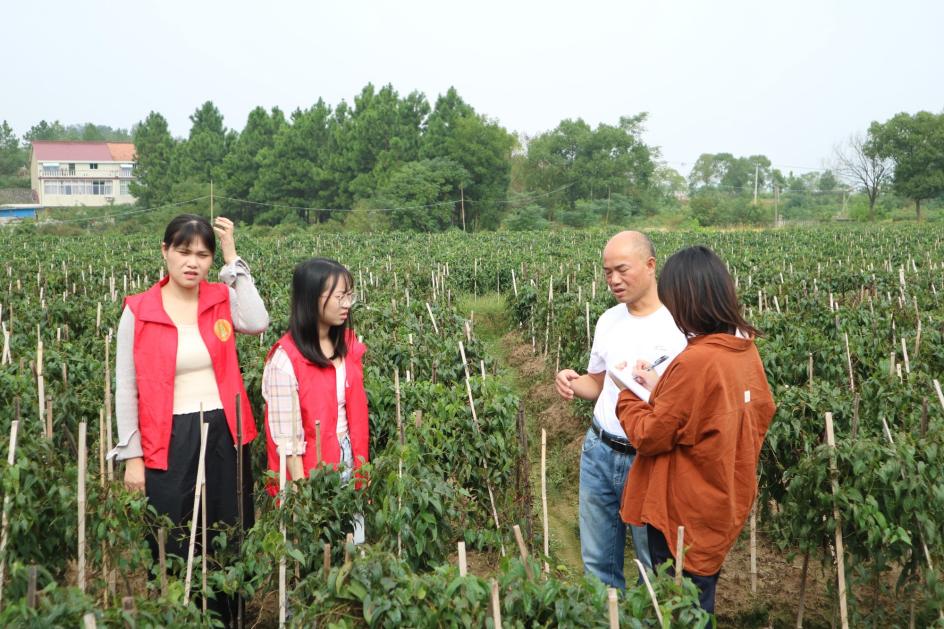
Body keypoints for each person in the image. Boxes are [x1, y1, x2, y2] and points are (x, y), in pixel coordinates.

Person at [112, 214, 268, 624]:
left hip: (224, 430)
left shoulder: (219, 296)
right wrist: (132, 456)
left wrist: (232, 258)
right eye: (183, 251)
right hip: (168, 436)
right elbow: (125, 387)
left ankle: (228, 617)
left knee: (227, 533)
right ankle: (176, 616)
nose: (192, 262)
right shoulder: (138, 311)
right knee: (172, 537)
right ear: (165, 252)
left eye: (202, 254)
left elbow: (257, 321)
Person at [615, 245, 776, 614]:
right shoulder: (744, 351)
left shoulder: (698, 360)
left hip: (684, 509)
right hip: (722, 501)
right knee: (699, 599)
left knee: (676, 606)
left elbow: (650, 435)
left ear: (687, 301)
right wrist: (663, 390)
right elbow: (720, 415)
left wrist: (626, 395)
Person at [554, 231, 687, 589]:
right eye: (607, 272)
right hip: (599, 449)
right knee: (597, 560)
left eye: (621, 269)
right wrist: (571, 381)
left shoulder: (680, 327)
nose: (613, 280)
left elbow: (688, 405)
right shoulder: (608, 321)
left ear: (649, 266)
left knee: (652, 564)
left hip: (649, 458)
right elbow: (597, 383)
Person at [262, 258, 368, 539]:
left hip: (347, 456)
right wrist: (301, 497)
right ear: (311, 299)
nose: (347, 304)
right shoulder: (285, 360)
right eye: (339, 296)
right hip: (313, 471)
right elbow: (288, 443)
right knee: (318, 546)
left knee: (352, 544)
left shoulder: (346, 346)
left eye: (349, 295)